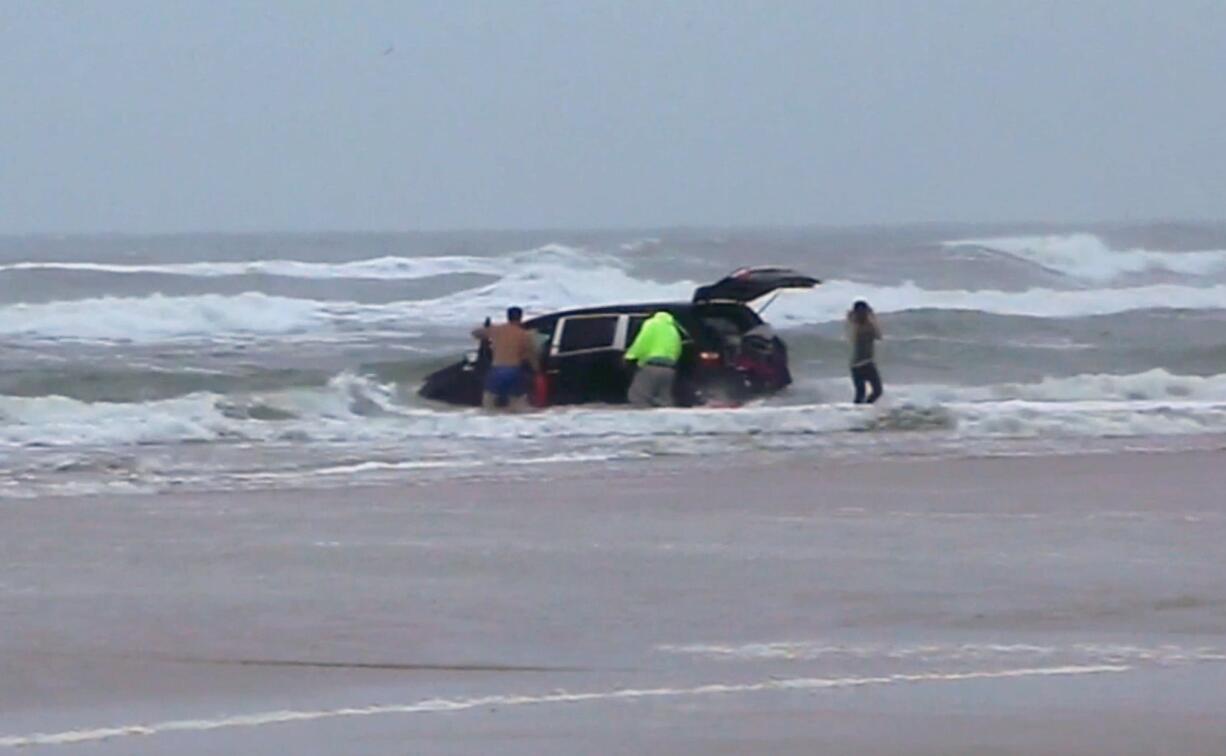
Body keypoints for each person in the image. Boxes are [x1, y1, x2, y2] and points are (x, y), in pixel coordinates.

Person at [471, 306, 540, 411]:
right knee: (517, 405)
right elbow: (531, 355)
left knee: (489, 404)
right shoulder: (524, 335)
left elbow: (475, 333)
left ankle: (487, 424)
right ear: (520, 317)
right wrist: (537, 370)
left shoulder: (497, 330)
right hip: (514, 371)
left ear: (507, 317)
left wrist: (487, 329)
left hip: (496, 370)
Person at [624, 311, 683, 407]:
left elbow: (642, 342)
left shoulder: (651, 324)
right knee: (664, 400)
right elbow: (678, 350)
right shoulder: (673, 328)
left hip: (652, 366)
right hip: (669, 370)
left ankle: (645, 421)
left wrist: (630, 356)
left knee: (638, 398)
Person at [847, 300, 883, 404]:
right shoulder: (855, 326)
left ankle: (865, 408)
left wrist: (872, 318)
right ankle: (861, 411)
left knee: (875, 391)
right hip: (859, 364)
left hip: (866, 362)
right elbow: (853, 337)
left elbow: (879, 336)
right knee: (862, 393)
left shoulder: (868, 325)